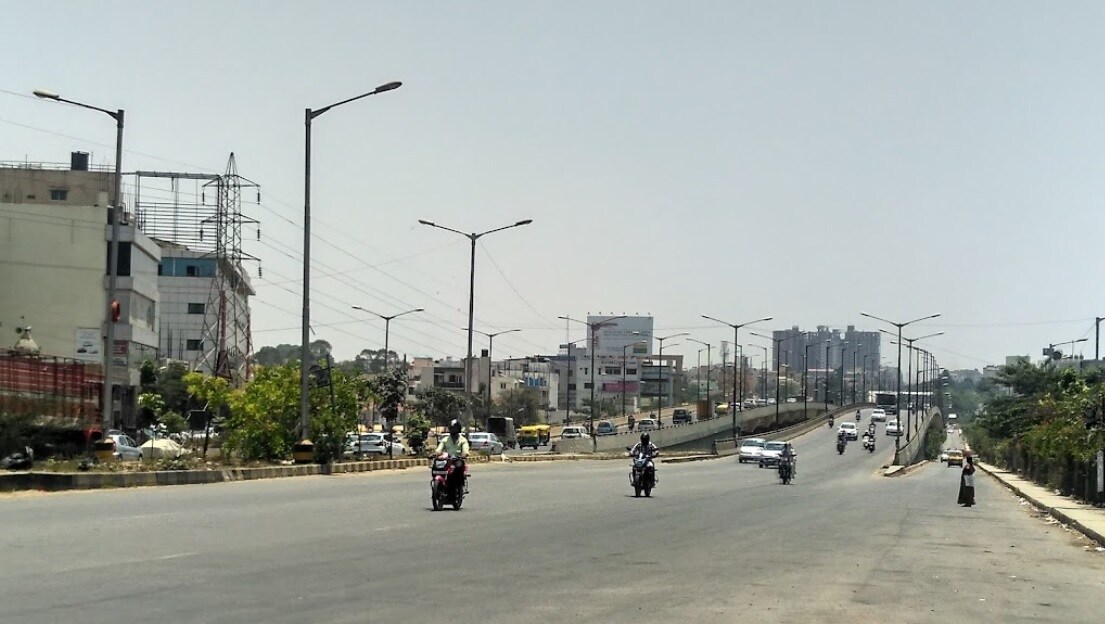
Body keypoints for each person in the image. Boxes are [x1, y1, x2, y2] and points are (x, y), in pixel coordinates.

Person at [434, 419, 470, 492]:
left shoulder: (463, 440)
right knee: (436, 466)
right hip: (447, 460)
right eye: (451, 428)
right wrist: (437, 453)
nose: (452, 430)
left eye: (454, 428)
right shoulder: (445, 439)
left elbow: (465, 450)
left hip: (457, 460)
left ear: (458, 429)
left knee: (459, 468)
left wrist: (464, 454)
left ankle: (460, 487)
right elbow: (439, 449)